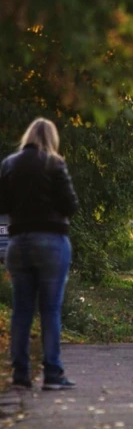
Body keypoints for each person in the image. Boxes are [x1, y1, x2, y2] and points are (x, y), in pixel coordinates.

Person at [0, 118, 79, 390]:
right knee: (50, 310)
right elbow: (70, 205)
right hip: (51, 241)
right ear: (51, 138)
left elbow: (3, 204)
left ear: (28, 136)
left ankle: (20, 376)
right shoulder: (54, 164)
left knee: (21, 310)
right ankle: (52, 375)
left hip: (18, 242)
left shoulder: (9, 164)